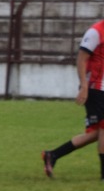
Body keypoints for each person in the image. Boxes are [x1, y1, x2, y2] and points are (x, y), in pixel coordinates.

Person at [41, 19, 104, 179]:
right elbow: (81, 58)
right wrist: (83, 86)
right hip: (94, 87)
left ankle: (53, 155)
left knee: (96, 133)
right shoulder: (96, 32)